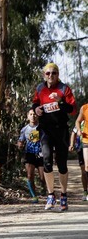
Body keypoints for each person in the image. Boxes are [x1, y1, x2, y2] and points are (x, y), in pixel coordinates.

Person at [31, 62, 77, 211]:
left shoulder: (64, 89)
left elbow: (73, 110)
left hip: (61, 130)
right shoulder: (39, 88)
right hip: (45, 130)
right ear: (44, 75)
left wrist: (60, 101)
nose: (51, 76)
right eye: (48, 73)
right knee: (47, 161)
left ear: (58, 75)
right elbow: (35, 104)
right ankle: (51, 195)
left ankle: (63, 195)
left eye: (54, 73)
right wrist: (36, 109)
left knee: (62, 164)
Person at [17, 110, 45, 199]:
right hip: (29, 154)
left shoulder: (43, 128)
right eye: (31, 114)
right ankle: (34, 196)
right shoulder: (24, 129)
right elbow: (21, 140)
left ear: (38, 116)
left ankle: (43, 187)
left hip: (41, 154)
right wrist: (20, 144)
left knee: (43, 177)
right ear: (28, 116)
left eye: (35, 114)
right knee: (29, 176)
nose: (33, 116)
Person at [69, 125, 88, 201]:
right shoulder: (80, 121)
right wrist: (71, 144)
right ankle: (85, 191)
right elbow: (74, 133)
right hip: (81, 147)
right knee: (84, 171)